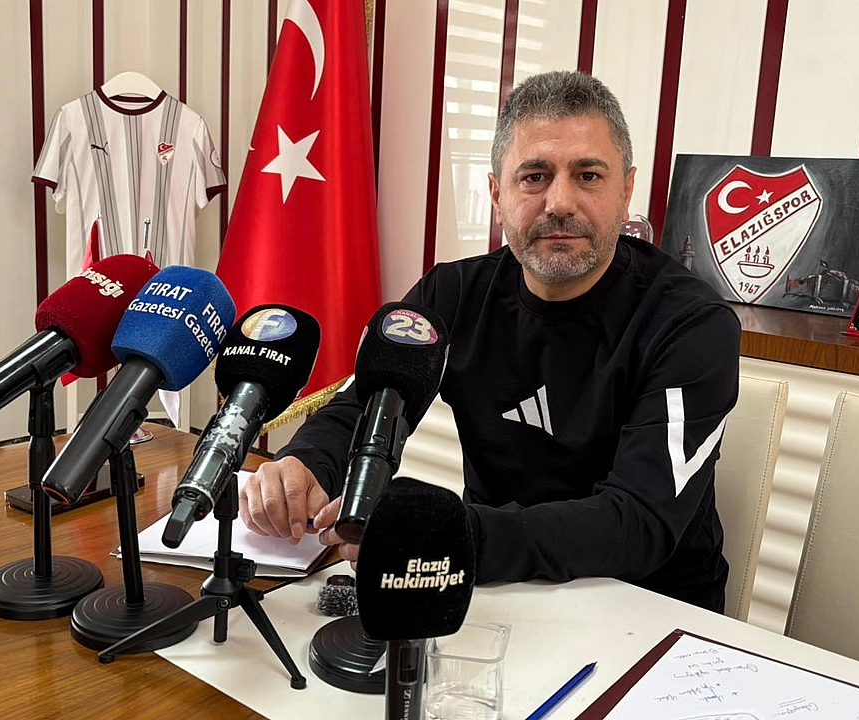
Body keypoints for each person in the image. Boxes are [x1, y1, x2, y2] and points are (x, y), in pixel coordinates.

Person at [237, 70, 740, 612]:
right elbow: (365, 405)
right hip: (494, 585)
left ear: (626, 191)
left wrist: (450, 533)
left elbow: (640, 522)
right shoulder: (452, 293)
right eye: (534, 176)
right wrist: (306, 465)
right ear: (498, 194)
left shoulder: (691, 322)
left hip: (648, 606)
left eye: (589, 175)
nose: (560, 202)